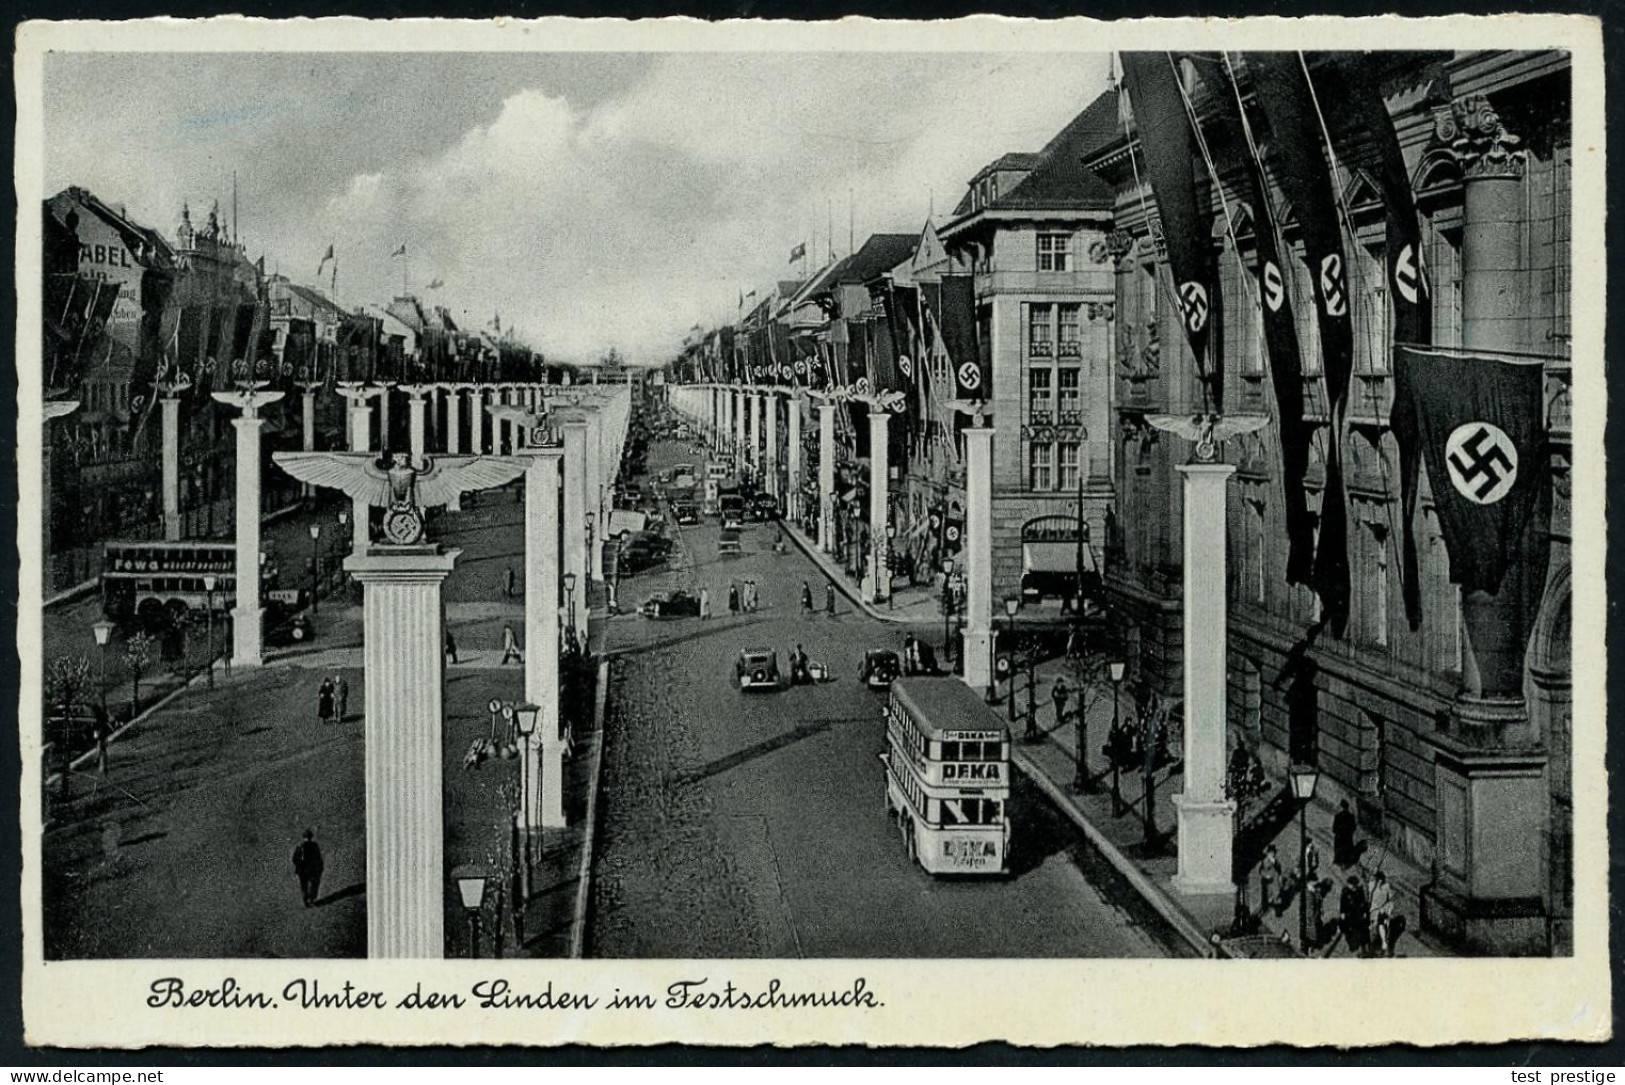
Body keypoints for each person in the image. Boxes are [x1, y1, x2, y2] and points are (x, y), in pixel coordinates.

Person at [292, 829, 324, 908]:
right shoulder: (314, 845)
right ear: (311, 837)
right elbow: (318, 858)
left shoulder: (300, 846)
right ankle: (311, 899)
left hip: (302, 870)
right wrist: (320, 867)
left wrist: (299, 866)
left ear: (303, 837)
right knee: (313, 884)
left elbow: (294, 859)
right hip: (312, 869)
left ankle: (306, 900)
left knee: (304, 885)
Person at [1341, 874, 1369, 957]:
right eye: (1351, 885)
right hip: (1349, 915)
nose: (1352, 887)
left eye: (1353, 885)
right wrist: (1342, 912)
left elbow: (1363, 903)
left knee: (1362, 931)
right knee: (1349, 931)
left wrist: (1364, 913)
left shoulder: (1360, 891)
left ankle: (1364, 949)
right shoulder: (1345, 891)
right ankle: (1353, 945)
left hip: (1358, 914)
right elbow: (1342, 903)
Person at [1368, 870, 1394, 956]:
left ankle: (1383, 943)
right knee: (1373, 926)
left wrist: (1386, 910)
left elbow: (1390, 901)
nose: (1378, 881)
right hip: (1373, 911)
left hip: (1382, 911)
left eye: (1380, 879)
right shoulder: (1372, 885)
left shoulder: (1386, 887)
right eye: (1377, 879)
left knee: (1381, 924)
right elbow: (1369, 899)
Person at [1333, 799, 1360, 868]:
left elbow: (1334, 828)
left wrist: (1338, 832)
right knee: (1348, 848)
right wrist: (1349, 833)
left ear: (1342, 807)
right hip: (1347, 836)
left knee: (1338, 847)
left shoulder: (1338, 816)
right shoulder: (1351, 816)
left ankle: (1338, 860)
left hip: (1339, 836)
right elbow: (1353, 827)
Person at [1259, 843, 1280, 915]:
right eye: (1271, 853)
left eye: (1274, 853)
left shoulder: (1275, 860)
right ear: (1268, 853)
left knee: (1275, 893)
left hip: (1274, 880)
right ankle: (1264, 908)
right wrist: (1266, 876)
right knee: (1266, 894)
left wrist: (1275, 864)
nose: (1273, 854)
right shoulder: (1265, 861)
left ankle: (1274, 908)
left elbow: (1279, 869)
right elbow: (1261, 871)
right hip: (1267, 881)